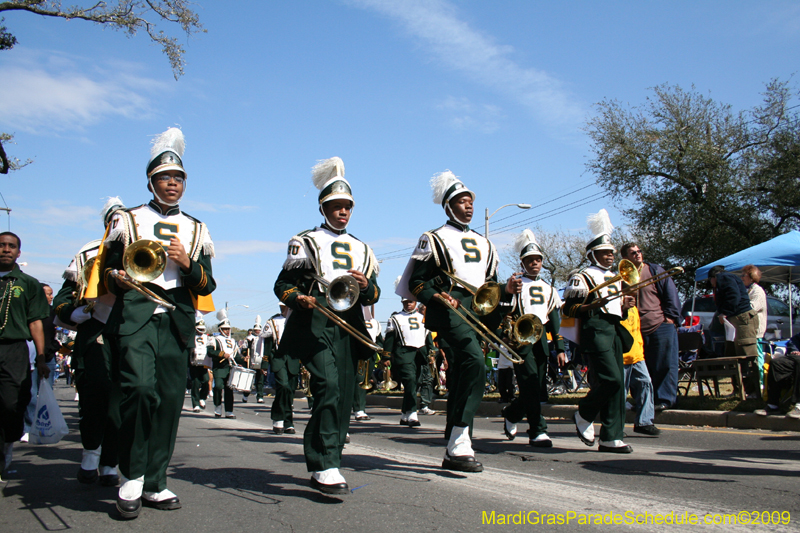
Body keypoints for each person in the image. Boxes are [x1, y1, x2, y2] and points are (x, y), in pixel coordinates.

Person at [100, 127, 216, 518]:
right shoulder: (127, 220)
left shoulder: (198, 229)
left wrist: (188, 264)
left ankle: (156, 481)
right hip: (136, 317)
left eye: (179, 178)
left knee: (168, 401)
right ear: (151, 181)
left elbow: (208, 282)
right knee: (139, 388)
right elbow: (105, 271)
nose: (173, 183)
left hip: (176, 321)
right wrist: (115, 276)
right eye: (166, 177)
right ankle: (130, 475)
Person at [273, 157, 380, 494]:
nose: (342, 212)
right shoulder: (304, 241)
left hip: (349, 325)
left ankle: (332, 457)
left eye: (346, 206)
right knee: (328, 387)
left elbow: (374, 293)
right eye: (335, 206)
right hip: (315, 323)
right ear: (324, 208)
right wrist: (298, 299)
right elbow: (282, 286)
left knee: (344, 393)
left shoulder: (363, 248)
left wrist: (365, 287)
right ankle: (323, 463)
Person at [397, 170, 514, 472]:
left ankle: (455, 448)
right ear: (448, 207)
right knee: (474, 361)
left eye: (470, 201)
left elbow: (490, 286)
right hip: (450, 308)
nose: (468, 206)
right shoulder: (433, 238)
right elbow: (418, 283)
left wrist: (507, 292)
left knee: (464, 375)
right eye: (461, 201)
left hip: (479, 311)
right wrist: (438, 297)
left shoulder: (485, 243)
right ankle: (461, 438)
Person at [52, 197, 126, 485]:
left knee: (121, 400)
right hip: (94, 331)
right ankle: (91, 452)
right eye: (114, 221)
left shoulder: (140, 250)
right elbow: (62, 298)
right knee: (94, 394)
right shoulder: (88, 251)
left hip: (129, 331)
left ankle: (110, 460)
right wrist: (76, 312)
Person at [563, 210, 636, 454]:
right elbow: (570, 308)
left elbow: (615, 310)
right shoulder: (582, 276)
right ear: (592, 254)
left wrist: (624, 307)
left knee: (618, 385)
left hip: (614, 330)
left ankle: (611, 436)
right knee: (611, 380)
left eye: (611, 253)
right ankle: (584, 412)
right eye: (604, 253)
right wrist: (591, 306)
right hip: (595, 331)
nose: (609, 257)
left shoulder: (615, 277)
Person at [502, 229, 566, 448]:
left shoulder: (549, 288)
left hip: (541, 342)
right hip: (521, 342)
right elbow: (506, 312)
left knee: (537, 388)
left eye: (537, 259)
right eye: (530, 260)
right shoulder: (516, 284)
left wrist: (561, 347)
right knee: (529, 385)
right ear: (523, 263)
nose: (534, 263)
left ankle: (512, 413)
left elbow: (554, 320)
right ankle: (538, 430)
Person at [0, 232, 50, 482]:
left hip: (14, 350)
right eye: (2, 245)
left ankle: (7, 445)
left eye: (11, 246)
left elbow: (36, 323)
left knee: (11, 404)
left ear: (18, 252)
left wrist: (41, 357)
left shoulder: (28, 283)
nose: (6, 249)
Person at [620, 243, 681, 411]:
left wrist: (670, 318)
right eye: (633, 253)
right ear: (625, 258)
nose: (637, 255)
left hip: (659, 324)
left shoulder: (655, 271)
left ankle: (664, 400)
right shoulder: (621, 276)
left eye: (639, 251)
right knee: (639, 367)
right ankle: (644, 401)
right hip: (634, 329)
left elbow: (671, 294)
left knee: (664, 364)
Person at [383, 288, 434, 427]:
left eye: (410, 302)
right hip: (403, 354)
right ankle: (412, 414)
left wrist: (432, 352)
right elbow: (389, 338)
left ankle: (404, 414)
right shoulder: (395, 318)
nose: (408, 304)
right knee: (410, 381)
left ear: (415, 303)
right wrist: (386, 356)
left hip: (419, 354)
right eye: (405, 302)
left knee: (415, 383)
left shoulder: (423, 317)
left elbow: (427, 336)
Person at [707, 265, 759, 396]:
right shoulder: (726, 278)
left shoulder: (723, 277)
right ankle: (738, 390)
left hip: (742, 319)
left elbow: (733, 294)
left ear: (713, 277)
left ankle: (753, 391)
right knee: (733, 356)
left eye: (710, 281)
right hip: (734, 321)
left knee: (746, 355)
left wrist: (725, 312)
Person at [22, 283, 60, 442]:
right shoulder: (30, 312)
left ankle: (45, 425)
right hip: (32, 357)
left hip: (49, 357)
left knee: (46, 391)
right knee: (31, 392)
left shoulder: (54, 313)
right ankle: (28, 427)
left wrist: (55, 347)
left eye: (51, 294)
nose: (50, 297)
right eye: (46, 294)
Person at [620, 302, 661, 436]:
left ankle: (644, 422)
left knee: (645, 383)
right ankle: (616, 427)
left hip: (637, 355)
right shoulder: (615, 306)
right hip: (621, 356)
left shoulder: (634, 307)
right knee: (620, 392)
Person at [264, 305, 298, 434]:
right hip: (278, 358)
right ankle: (278, 418)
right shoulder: (273, 321)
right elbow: (267, 344)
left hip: (293, 359)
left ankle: (288, 422)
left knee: (290, 390)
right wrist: (264, 363)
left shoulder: (298, 320)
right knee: (283, 387)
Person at [756, 332, 800, 419]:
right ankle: (773, 405)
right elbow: (793, 341)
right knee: (776, 363)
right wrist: (795, 350)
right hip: (796, 358)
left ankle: (799, 405)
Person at [353, 305, 382, 422]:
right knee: (359, 379)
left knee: (365, 381)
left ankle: (360, 406)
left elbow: (379, 340)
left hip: (370, 354)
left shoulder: (375, 322)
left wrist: (384, 356)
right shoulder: (355, 319)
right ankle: (359, 409)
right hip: (357, 352)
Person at [212, 310, 242, 419]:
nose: (227, 331)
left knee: (229, 390)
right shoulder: (215, 340)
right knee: (218, 387)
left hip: (230, 368)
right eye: (225, 329)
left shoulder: (233, 341)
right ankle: (218, 406)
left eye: (228, 329)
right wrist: (222, 354)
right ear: (220, 329)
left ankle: (229, 410)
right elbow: (210, 351)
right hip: (219, 367)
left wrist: (242, 360)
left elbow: (236, 356)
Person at [742, 265, 767, 388]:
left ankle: (761, 383)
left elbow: (751, 308)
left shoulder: (757, 291)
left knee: (758, 357)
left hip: (755, 331)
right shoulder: (748, 290)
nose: (741, 278)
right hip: (748, 331)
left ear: (751, 277)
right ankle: (752, 385)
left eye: (744, 275)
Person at [189, 318, 212, 412]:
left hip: (204, 363)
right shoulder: (191, 337)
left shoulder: (207, 338)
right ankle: (195, 404)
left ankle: (202, 397)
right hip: (194, 363)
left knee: (206, 381)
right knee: (195, 383)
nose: (201, 331)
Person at [243, 317, 268, 404]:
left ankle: (260, 396)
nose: (257, 331)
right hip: (251, 361)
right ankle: (245, 395)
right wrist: (246, 353)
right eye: (256, 330)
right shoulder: (249, 338)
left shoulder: (264, 338)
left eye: (258, 330)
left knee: (260, 380)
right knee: (249, 380)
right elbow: (244, 349)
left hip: (260, 361)